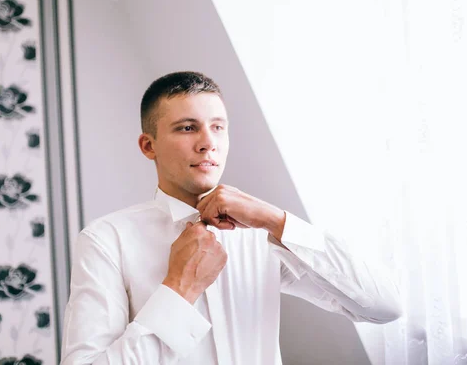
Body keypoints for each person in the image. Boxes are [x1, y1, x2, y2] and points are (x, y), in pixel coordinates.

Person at [60, 71, 402, 365]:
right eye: (187, 128)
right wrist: (180, 290)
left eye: (218, 127)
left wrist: (275, 220)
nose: (208, 143)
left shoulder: (261, 234)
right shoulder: (106, 240)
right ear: (149, 146)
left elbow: (384, 306)